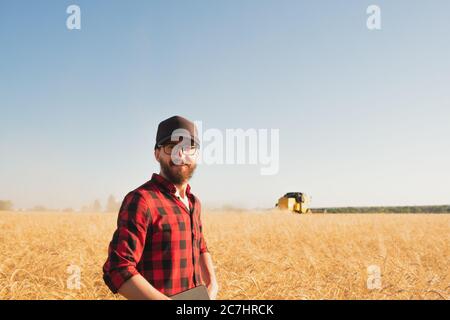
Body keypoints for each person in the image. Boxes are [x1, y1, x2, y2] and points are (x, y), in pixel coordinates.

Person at [102, 115, 219, 300]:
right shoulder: (142, 200)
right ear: (157, 154)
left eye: (188, 147)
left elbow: (201, 245)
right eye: (171, 147)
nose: (180, 155)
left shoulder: (194, 203)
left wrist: (213, 284)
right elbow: (118, 268)